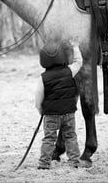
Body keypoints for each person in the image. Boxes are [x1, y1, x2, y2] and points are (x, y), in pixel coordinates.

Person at [35, 39, 83, 169]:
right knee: (71, 137)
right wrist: (76, 47)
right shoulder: (69, 70)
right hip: (69, 114)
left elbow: (38, 99)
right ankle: (74, 161)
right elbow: (79, 62)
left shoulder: (43, 78)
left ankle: (44, 163)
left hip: (51, 115)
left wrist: (41, 110)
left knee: (49, 139)